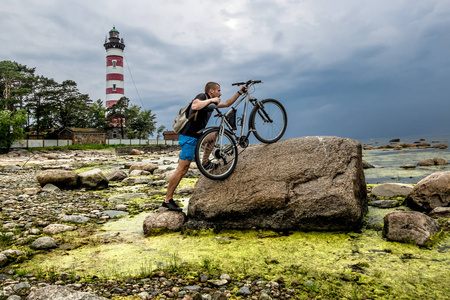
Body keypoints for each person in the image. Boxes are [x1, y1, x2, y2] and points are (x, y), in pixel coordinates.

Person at [162, 82, 247, 211]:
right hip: (189, 137)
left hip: (198, 136)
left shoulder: (210, 102)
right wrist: (212, 100)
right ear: (211, 91)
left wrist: (239, 92)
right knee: (182, 169)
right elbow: (195, 105)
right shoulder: (203, 96)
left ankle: (205, 162)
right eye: (218, 90)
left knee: (213, 136)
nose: (220, 93)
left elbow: (227, 103)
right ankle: (167, 200)